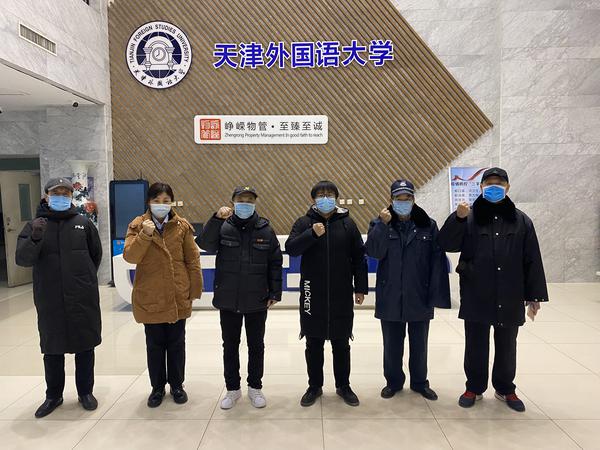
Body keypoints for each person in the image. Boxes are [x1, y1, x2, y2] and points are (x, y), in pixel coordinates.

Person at [438, 167, 548, 412]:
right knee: (475, 343)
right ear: (481, 187)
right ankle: (474, 387)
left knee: (507, 344)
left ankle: (505, 388)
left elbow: (532, 259)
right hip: (477, 291)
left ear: (507, 187)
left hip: (510, 293)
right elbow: (446, 243)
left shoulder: (521, 220)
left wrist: (534, 296)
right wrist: (457, 219)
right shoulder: (468, 216)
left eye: (499, 183)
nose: (494, 186)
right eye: (489, 183)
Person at [16, 177, 102, 418]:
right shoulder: (35, 226)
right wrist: (35, 237)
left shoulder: (83, 224)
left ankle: (85, 392)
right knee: (52, 349)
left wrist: (83, 279)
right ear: (46, 196)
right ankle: (53, 395)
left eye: (65, 193)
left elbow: (95, 256)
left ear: (71, 197)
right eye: (56, 193)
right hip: (50, 297)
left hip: (81, 296)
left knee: (85, 346)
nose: (61, 197)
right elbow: (22, 260)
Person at [198, 186, 282, 410]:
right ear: (233, 202)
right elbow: (205, 244)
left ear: (255, 203)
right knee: (230, 346)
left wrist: (275, 292)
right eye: (241, 199)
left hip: (257, 299)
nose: (245, 203)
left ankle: (255, 388)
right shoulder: (223, 226)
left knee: (256, 346)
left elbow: (275, 262)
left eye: (249, 200)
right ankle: (232, 389)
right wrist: (216, 219)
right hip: (228, 298)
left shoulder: (266, 229)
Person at [366, 179, 450, 401]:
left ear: (413, 199)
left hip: (419, 294)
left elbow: (437, 261)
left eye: (407, 198)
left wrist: (435, 294)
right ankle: (393, 382)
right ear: (391, 199)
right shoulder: (379, 223)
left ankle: (420, 382)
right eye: (398, 198)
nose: (403, 202)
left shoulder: (427, 225)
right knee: (392, 344)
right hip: (390, 294)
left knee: (419, 344)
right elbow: (374, 252)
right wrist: (382, 225)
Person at [285, 180, 368, 407]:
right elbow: (291, 249)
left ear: (336, 198)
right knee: (313, 343)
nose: (325, 198)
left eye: (329, 194)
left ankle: (343, 386)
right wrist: (311, 234)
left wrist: (361, 287)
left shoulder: (348, 224)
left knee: (342, 344)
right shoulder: (304, 222)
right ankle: (314, 386)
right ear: (313, 199)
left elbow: (359, 257)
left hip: (342, 291)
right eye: (321, 194)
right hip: (311, 292)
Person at [123, 182, 202, 408]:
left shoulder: (181, 226)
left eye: (166, 201)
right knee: (155, 344)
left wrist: (194, 290)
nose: (161, 205)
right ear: (148, 202)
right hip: (151, 295)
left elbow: (192, 260)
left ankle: (177, 385)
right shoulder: (137, 225)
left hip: (177, 293)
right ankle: (157, 388)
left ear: (172, 203)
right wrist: (145, 235)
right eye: (156, 201)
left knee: (177, 343)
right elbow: (130, 256)